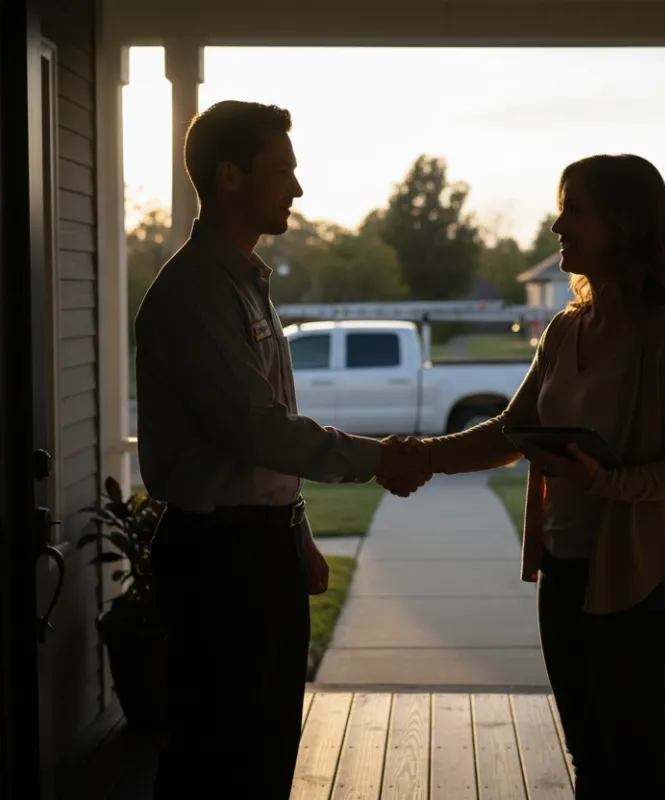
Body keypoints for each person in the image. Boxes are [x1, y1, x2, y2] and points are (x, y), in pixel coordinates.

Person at [383, 154, 665, 798]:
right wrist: (423, 455)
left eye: (574, 209)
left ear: (623, 223)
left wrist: (606, 482)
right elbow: (512, 430)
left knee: (639, 760)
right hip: (564, 568)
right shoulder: (566, 330)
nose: (556, 223)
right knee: (590, 755)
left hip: (639, 582)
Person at [134, 100, 430, 799]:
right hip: (217, 559)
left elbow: (263, 438)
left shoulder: (246, 282)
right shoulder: (198, 292)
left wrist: (292, 530)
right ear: (230, 176)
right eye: (283, 170)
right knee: (218, 754)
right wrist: (381, 458)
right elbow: (259, 428)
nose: (296, 187)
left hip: (255, 548)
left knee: (265, 746)